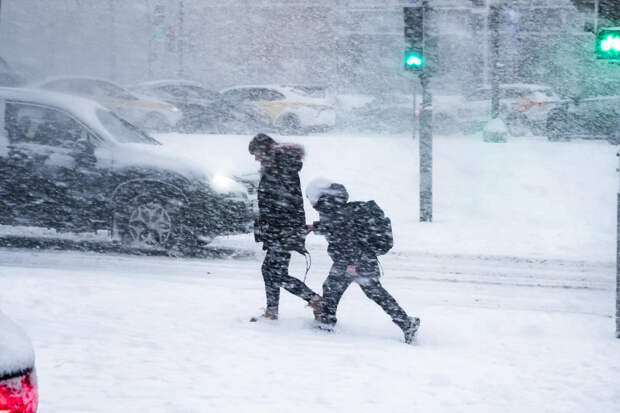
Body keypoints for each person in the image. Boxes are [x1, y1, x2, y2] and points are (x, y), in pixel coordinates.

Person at [305, 179, 420, 344]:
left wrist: (352, 264)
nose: (310, 202)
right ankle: (406, 322)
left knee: (337, 288)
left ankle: (327, 322)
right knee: (371, 292)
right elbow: (336, 227)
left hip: (353, 260)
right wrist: (314, 228)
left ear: (320, 196)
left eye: (311, 198)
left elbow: (347, 237)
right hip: (358, 258)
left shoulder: (335, 211)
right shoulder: (335, 209)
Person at [248, 133, 322, 321]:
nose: (255, 158)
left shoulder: (279, 167)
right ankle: (272, 310)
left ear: (264, 150)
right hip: (281, 229)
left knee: (276, 273)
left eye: (256, 153)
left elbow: (282, 203)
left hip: (282, 230)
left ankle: (316, 300)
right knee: (271, 271)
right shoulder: (279, 165)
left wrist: (277, 227)